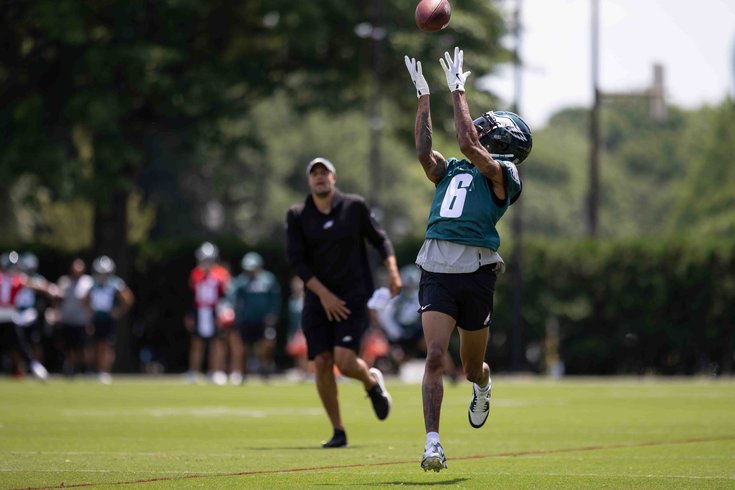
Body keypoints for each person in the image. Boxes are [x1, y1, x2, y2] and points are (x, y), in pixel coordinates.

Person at [404, 47, 533, 471]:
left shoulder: (505, 175)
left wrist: (458, 90)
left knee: (469, 366)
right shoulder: (455, 168)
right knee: (435, 355)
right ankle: (433, 443)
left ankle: (483, 382)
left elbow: (467, 141)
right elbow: (426, 154)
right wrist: (424, 97)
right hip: (437, 262)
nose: (483, 128)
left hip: (477, 269)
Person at [286, 156, 402, 448]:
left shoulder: (354, 207)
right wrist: (323, 295)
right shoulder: (298, 215)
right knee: (322, 362)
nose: (320, 177)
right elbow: (297, 262)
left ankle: (371, 382)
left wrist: (392, 270)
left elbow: (380, 240)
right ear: (309, 180)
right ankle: (338, 431)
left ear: (334, 178)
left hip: (353, 296)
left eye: (325, 172)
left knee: (345, 362)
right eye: (314, 173)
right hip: (317, 298)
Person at [226, 252, 281, 383]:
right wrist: (231, 311)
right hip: (246, 320)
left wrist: (273, 314)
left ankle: (265, 369)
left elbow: (275, 299)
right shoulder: (241, 281)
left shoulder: (268, 279)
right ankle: (242, 372)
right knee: (243, 347)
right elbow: (232, 297)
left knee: (267, 344)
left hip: (264, 320)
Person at [83, 256, 135, 384]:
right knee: (94, 345)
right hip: (96, 318)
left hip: (108, 319)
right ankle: (94, 370)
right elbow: (84, 300)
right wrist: (89, 312)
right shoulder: (92, 283)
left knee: (107, 346)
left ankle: (104, 372)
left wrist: (118, 311)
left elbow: (128, 299)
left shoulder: (115, 283)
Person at [0, 251, 50, 381]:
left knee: (21, 345)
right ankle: (35, 368)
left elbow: (35, 285)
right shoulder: (17, 279)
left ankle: (34, 367)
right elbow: (36, 285)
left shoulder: (14, 279)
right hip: (9, 315)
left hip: (9, 316)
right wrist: (51, 290)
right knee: (21, 346)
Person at [184, 242, 230, 385]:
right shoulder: (195, 273)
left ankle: (216, 371)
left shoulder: (222, 273)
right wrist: (190, 314)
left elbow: (225, 295)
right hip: (199, 311)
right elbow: (192, 296)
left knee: (217, 343)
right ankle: (193, 371)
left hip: (215, 311)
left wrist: (222, 314)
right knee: (197, 343)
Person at [53, 258, 94, 376]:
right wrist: (56, 313)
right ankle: (71, 369)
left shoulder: (88, 282)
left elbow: (90, 302)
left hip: (81, 320)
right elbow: (58, 300)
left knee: (83, 347)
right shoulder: (64, 281)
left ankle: (86, 369)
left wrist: (90, 319)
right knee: (69, 347)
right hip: (67, 320)